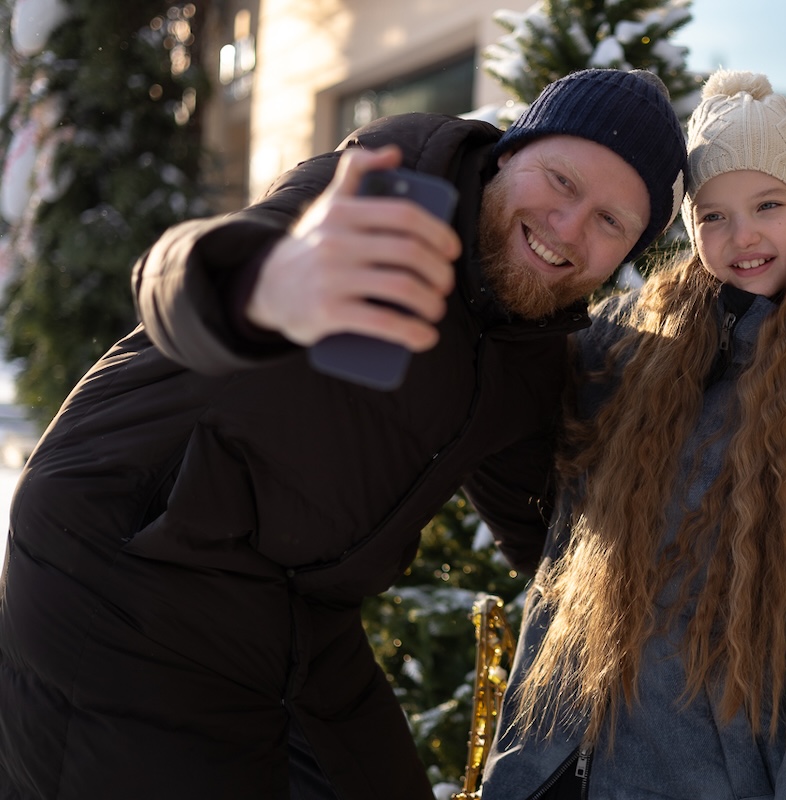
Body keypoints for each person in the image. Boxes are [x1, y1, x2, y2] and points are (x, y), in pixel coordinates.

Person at [0, 68, 685, 800]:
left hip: (298, 614)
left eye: (611, 222)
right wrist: (269, 285)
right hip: (124, 568)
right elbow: (177, 277)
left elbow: (544, 527)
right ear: (511, 151)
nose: (568, 227)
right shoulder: (389, 194)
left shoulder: (531, 347)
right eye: (562, 181)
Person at [482, 70, 786, 799]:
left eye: (768, 205)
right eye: (714, 215)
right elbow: (520, 350)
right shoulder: (639, 351)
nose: (743, 236)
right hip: (549, 769)